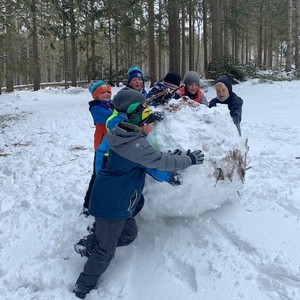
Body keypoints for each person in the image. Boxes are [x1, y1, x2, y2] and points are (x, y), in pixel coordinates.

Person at [73, 102, 204, 299]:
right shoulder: (136, 146)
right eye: (149, 122)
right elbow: (161, 162)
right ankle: (81, 288)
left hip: (116, 199)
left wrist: (165, 154)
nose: (152, 126)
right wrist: (189, 159)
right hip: (112, 204)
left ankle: (88, 244)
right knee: (106, 252)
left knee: (129, 233)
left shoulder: (125, 135)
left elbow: (150, 157)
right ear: (142, 125)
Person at [82, 81, 113, 215]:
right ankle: (88, 205)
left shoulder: (111, 105)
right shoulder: (95, 107)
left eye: (108, 92)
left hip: (112, 145)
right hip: (101, 146)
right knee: (97, 175)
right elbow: (107, 117)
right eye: (102, 92)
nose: (106, 94)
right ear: (95, 95)